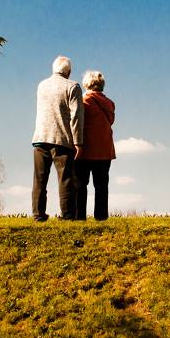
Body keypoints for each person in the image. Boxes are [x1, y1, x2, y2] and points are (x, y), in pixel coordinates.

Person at [31, 55, 83, 221]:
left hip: (40, 137)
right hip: (62, 139)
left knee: (40, 179)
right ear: (68, 71)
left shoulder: (41, 85)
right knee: (65, 179)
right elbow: (76, 116)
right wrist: (78, 142)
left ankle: (38, 214)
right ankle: (67, 216)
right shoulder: (73, 86)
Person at [75, 70, 116, 221]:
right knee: (101, 185)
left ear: (87, 83)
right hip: (105, 150)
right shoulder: (110, 103)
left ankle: (80, 217)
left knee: (80, 184)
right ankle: (101, 217)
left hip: (85, 149)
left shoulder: (83, 101)